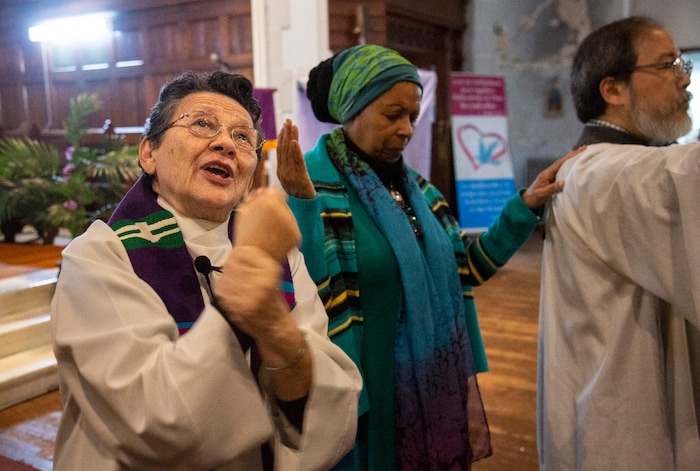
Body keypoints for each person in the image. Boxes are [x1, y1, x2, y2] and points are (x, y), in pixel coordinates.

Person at [275, 44, 573, 470]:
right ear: (351, 109)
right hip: (366, 390)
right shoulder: (312, 185)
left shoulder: (418, 189)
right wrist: (301, 204)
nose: (407, 129)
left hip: (432, 385)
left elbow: (465, 268)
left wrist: (523, 206)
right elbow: (304, 296)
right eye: (392, 114)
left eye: (412, 116)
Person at [50, 70, 362, 470]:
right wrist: (239, 307)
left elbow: (325, 409)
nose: (226, 144)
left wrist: (277, 332)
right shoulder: (97, 256)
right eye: (202, 124)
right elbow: (152, 420)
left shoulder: (280, 257)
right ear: (149, 153)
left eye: (243, 137)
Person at [537, 141, 700, 470]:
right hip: (621, 409)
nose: (684, 85)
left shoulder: (584, 169)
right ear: (612, 89)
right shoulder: (604, 170)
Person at [570, 16, 692, 148]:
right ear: (613, 91)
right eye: (667, 65)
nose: (685, 80)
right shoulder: (610, 163)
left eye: (679, 65)